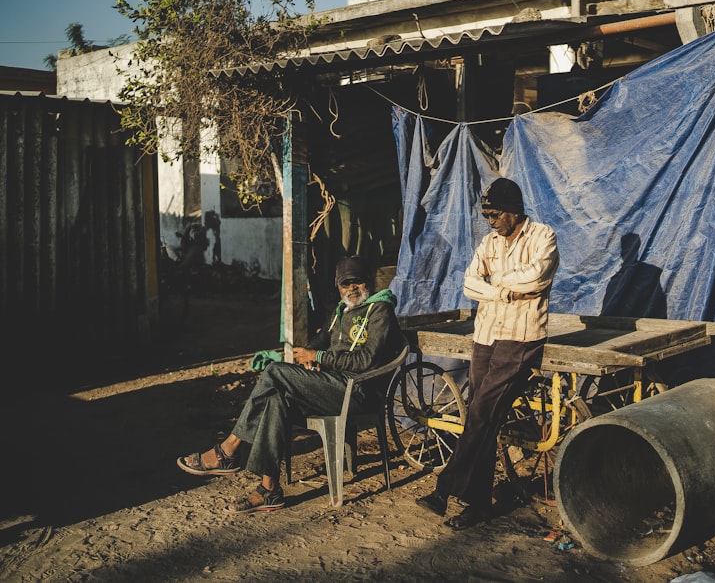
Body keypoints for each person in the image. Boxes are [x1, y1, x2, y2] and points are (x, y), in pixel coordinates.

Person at [177, 255, 407, 513]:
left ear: (369, 283)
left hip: (358, 391)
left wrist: (319, 357)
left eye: (358, 282)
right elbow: (321, 340)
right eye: (346, 284)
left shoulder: (380, 310)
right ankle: (269, 489)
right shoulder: (342, 311)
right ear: (337, 285)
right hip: (333, 386)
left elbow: (366, 360)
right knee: (276, 400)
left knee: (275, 371)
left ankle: (228, 449)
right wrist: (310, 353)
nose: (352, 288)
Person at [416, 177, 559, 530]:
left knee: (480, 413)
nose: (491, 220)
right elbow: (468, 283)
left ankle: (445, 488)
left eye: (495, 214)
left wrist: (493, 283)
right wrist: (504, 291)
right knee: (484, 420)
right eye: (487, 215)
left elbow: (537, 277)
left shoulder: (543, 236)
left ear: (513, 211)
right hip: (486, 336)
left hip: (520, 338)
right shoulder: (488, 243)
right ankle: (477, 504)